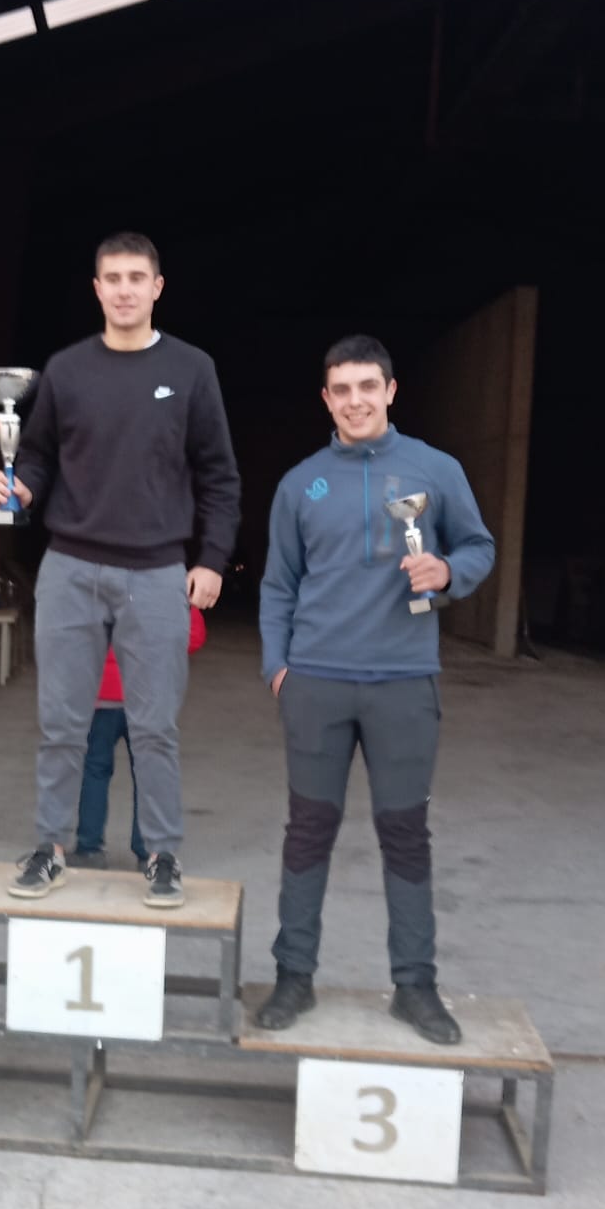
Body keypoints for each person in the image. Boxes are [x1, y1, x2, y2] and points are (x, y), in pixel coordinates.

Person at [255, 333, 495, 1044]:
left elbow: (478, 545)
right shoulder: (301, 484)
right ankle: (293, 976)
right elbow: (278, 585)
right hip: (318, 683)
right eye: (342, 390)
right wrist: (278, 666)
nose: (355, 401)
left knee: (405, 834)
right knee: (308, 831)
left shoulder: (435, 469)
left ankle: (415, 986)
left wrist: (448, 573)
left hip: (403, 683)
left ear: (391, 390)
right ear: (326, 399)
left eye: (368, 387)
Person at [0, 232, 240, 911]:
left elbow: (219, 474)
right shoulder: (67, 369)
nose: (125, 289)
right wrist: (23, 487)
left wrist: (212, 559)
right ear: (97, 289)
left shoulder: (191, 369)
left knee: (155, 726)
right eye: (113, 278)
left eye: (137, 277)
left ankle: (161, 853)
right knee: (61, 722)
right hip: (70, 565)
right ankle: (50, 847)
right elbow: (36, 455)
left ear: (157, 287)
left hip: (156, 571)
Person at [73, 606, 208, 870]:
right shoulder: (164, 585)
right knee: (149, 775)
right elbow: (193, 637)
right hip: (148, 698)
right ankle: (148, 853)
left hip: (103, 696)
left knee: (95, 770)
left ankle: (89, 849)